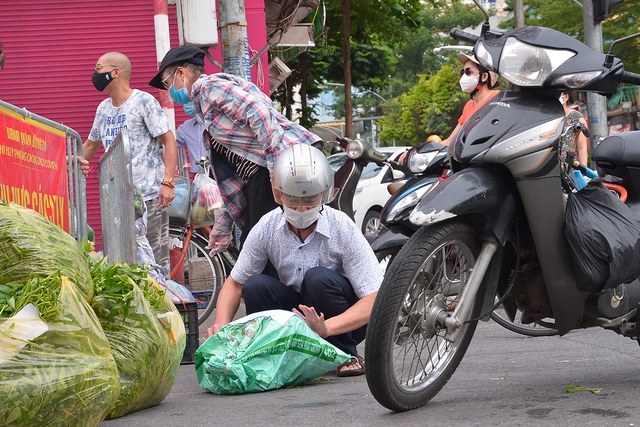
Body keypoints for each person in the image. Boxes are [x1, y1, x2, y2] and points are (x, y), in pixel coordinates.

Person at [205, 144, 382, 377]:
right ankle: (276, 354)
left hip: (339, 318)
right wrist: (222, 325)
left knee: (317, 278)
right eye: (293, 201)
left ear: (324, 194)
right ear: (278, 195)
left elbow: (374, 297)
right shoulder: (267, 226)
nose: (301, 209)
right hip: (298, 311)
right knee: (255, 285)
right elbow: (235, 283)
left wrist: (327, 328)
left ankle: (344, 353)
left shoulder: (341, 226)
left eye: (309, 202)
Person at [148, 46, 324, 257]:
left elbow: (258, 112)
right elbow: (232, 182)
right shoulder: (203, 107)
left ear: (181, 73)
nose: (169, 90)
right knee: (257, 244)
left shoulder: (210, 87)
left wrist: (277, 173)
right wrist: (222, 228)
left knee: (262, 247)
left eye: (168, 83)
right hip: (260, 174)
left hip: (281, 165)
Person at [81, 52, 178, 273]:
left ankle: (164, 306)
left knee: (155, 262)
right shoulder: (103, 109)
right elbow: (89, 146)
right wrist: (68, 163)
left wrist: (168, 183)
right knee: (123, 263)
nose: (95, 74)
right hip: (117, 201)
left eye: (98, 68)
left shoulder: (143, 102)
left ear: (115, 72)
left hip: (149, 197)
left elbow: (169, 141)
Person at [398, 54, 500, 165]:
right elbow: (449, 141)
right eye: (463, 72)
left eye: (468, 71)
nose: (463, 77)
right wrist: (415, 152)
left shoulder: (499, 100)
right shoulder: (469, 105)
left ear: (484, 77)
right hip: (471, 164)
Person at [175, 104, 208, 174]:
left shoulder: (217, 124)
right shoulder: (187, 126)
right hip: (198, 174)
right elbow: (171, 140)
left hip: (218, 173)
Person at [559, 91, 589, 166]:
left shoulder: (576, 118)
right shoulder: (546, 118)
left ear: (566, 97)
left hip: (569, 168)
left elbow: (582, 148)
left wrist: (583, 174)